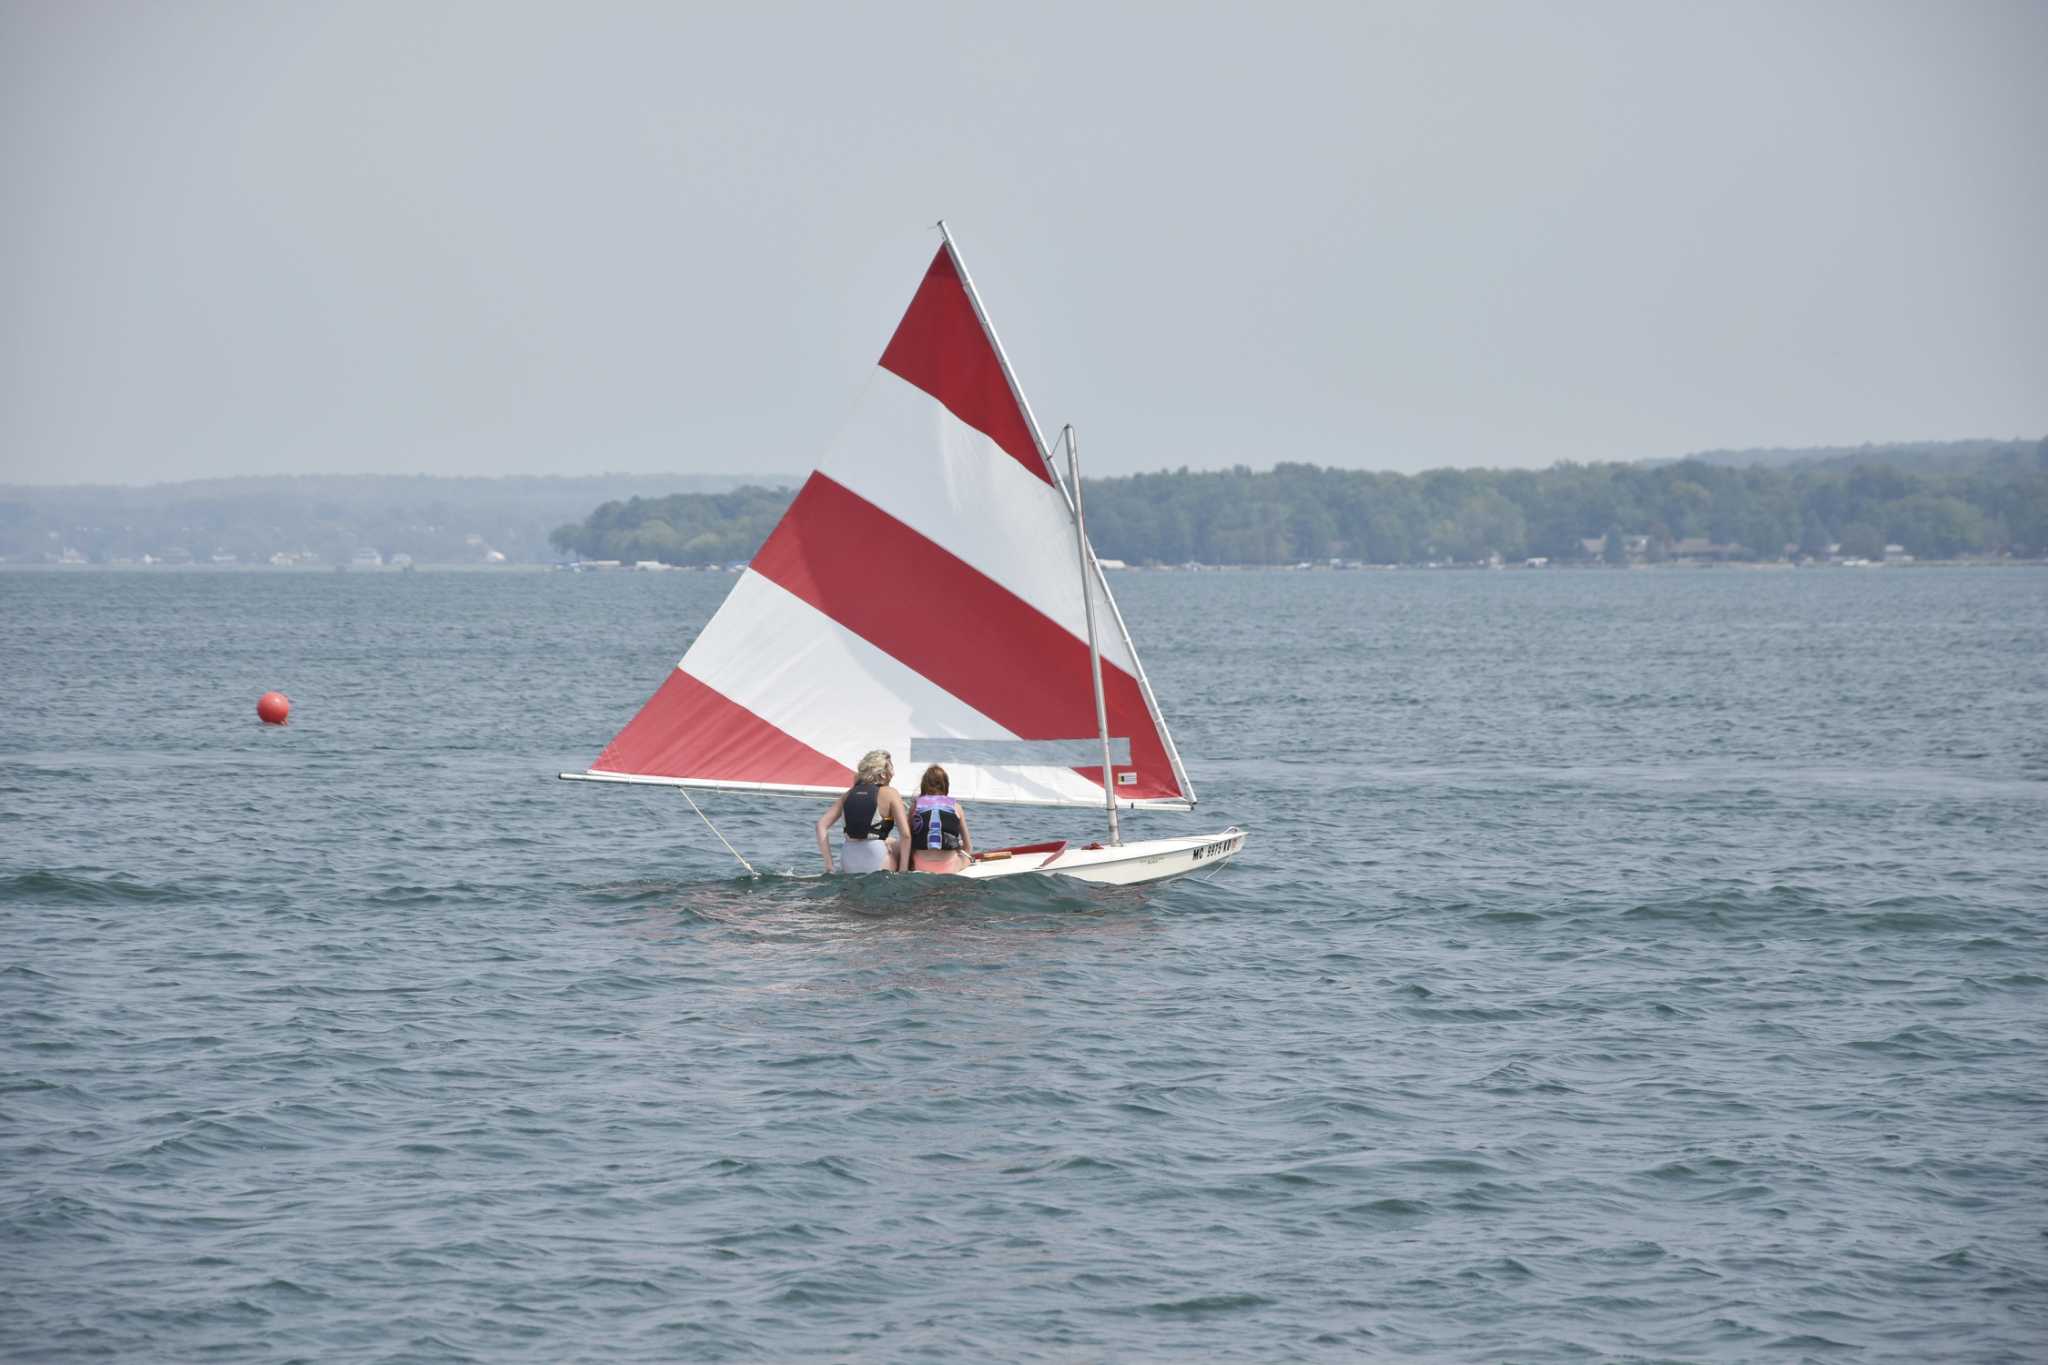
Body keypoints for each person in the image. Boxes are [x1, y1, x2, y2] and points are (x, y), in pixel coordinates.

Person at [815, 750, 909, 873]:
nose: (893, 773)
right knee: (901, 845)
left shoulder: (848, 794)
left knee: (890, 841)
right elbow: (906, 835)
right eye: (891, 769)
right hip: (877, 858)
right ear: (883, 774)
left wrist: (829, 865)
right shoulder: (891, 793)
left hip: (848, 857)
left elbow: (821, 826)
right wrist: (903, 870)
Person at [908, 764, 974, 874]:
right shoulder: (956, 807)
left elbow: (907, 838)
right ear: (946, 785)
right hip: (949, 866)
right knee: (965, 855)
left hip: (921, 865)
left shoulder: (915, 806)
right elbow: (968, 846)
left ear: (924, 785)